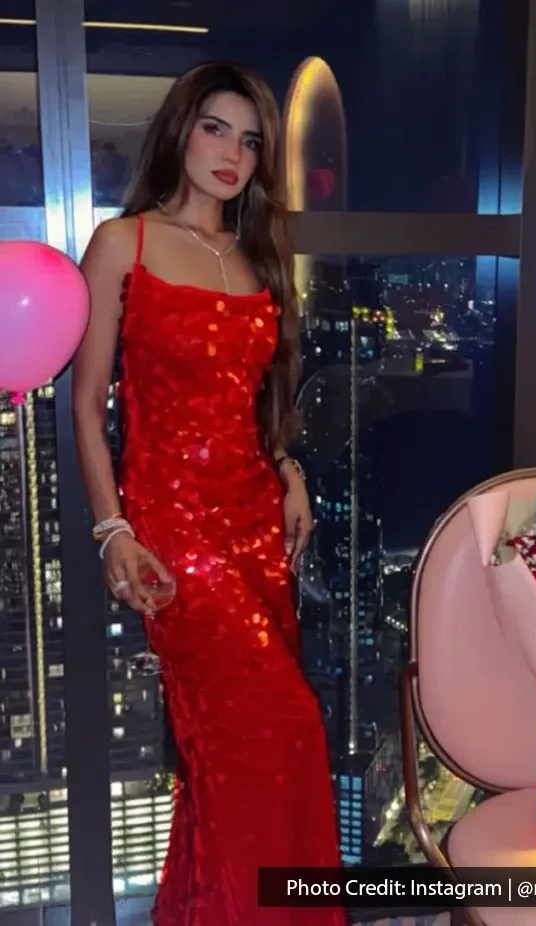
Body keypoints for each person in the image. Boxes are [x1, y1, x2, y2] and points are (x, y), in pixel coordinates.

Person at [72, 62, 344, 926]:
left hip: (258, 524)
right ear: (181, 131)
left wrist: (289, 468)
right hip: (176, 537)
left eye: (250, 141)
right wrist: (112, 530)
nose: (232, 154)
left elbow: (256, 400)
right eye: (216, 129)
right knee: (281, 730)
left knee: (224, 765)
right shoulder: (124, 243)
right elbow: (86, 403)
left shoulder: (260, 255)